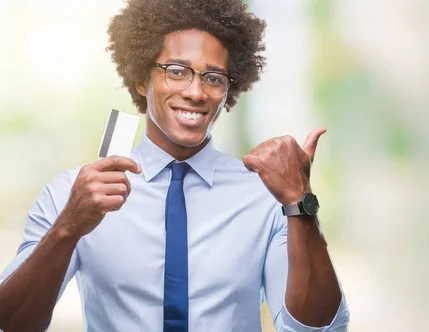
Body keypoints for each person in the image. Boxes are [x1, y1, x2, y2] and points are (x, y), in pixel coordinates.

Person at [0, 0, 349, 331]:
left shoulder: (266, 196)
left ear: (229, 90)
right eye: (177, 71)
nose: (196, 92)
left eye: (214, 78)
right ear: (141, 78)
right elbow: (11, 324)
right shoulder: (72, 194)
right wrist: (67, 228)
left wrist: (300, 202)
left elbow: (318, 328)